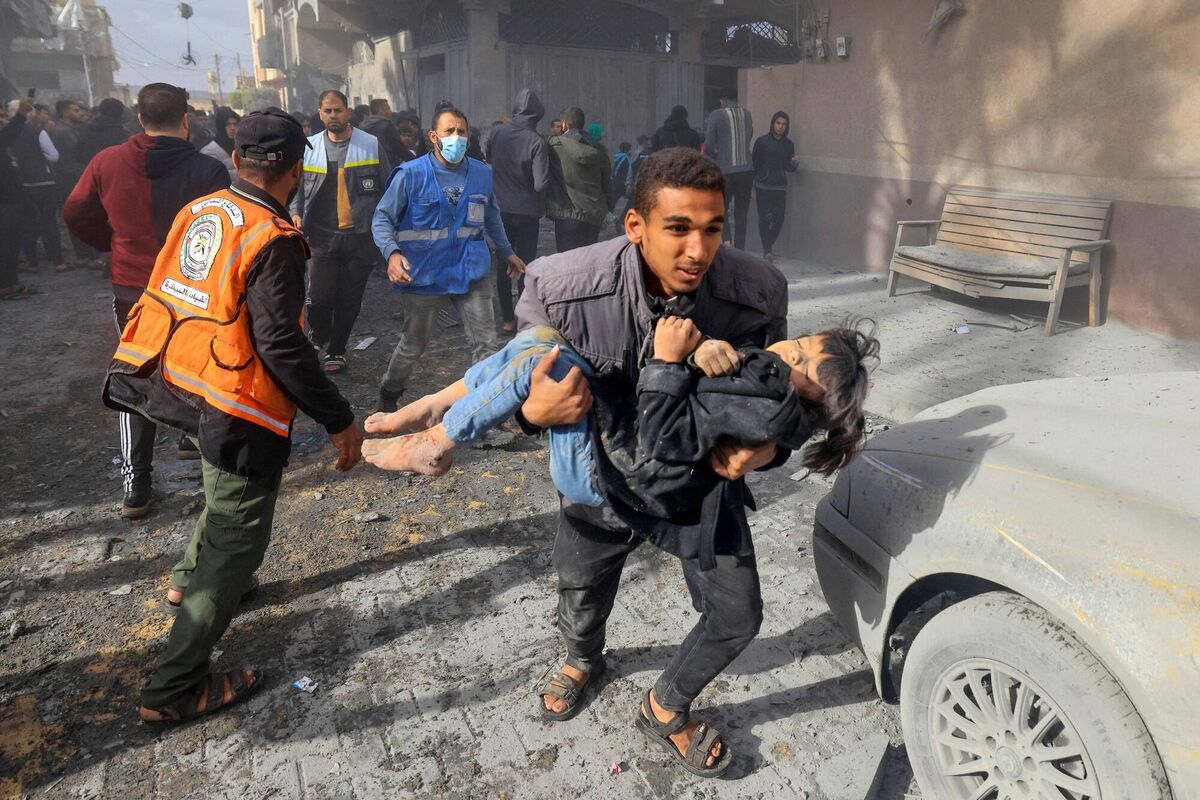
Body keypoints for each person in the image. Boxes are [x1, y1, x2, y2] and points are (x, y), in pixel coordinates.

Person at [521, 148, 789, 776]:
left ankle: (665, 705)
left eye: (713, 228)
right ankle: (583, 658)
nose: (698, 250)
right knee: (581, 590)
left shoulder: (756, 294)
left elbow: (780, 398)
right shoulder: (561, 289)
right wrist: (533, 412)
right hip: (602, 479)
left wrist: (770, 449)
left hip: (699, 486)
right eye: (678, 229)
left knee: (738, 614)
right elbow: (514, 386)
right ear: (635, 225)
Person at [102, 107, 364, 726]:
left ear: (238, 157)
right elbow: (281, 344)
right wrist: (338, 418)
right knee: (239, 528)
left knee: (222, 500)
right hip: (234, 401)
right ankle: (173, 687)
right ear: (296, 170)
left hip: (180, 379)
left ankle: (187, 578)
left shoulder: (204, 210)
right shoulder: (274, 238)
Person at [360, 319, 875, 515]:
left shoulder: (763, 405)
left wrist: (671, 361)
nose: (787, 352)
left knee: (544, 361)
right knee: (540, 338)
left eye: (800, 363)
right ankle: (436, 406)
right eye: (799, 343)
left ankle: (437, 437)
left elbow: (661, 435)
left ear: (808, 401)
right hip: (614, 448)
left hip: (608, 477)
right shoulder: (762, 382)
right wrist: (702, 349)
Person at [64, 83, 231, 518]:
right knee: (193, 367)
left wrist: (113, 242)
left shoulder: (106, 161)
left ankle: (135, 484)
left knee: (134, 376)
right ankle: (194, 446)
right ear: (186, 119)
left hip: (132, 287)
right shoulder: (208, 170)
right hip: (192, 291)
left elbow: (75, 212)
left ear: (139, 119)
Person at [370, 105, 525, 412]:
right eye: (449, 131)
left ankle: (481, 411)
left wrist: (506, 251)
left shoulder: (482, 173)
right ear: (433, 137)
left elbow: (491, 215)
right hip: (424, 273)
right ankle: (390, 392)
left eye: (461, 131)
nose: (457, 137)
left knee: (486, 343)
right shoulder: (411, 174)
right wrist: (392, 253)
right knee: (413, 344)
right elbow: (382, 218)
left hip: (471, 269)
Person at [288, 89, 390, 373]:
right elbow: (298, 190)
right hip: (321, 238)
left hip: (360, 238)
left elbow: (388, 188)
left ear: (348, 112)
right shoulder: (309, 148)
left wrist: (385, 229)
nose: (333, 116)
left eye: (338, 110)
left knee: (349, 300)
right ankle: (319, 335)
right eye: (328, 111)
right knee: (319, 298)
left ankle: (337, 350)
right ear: (320, 114)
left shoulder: (370, 145)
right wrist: (296, 213)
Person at [486, 89, 550, 333]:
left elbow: (488, 159)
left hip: (500, 210)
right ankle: (524, 320)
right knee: (525, 265)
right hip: (527, 213)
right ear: (538, 116)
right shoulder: (537, 141)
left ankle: (507, 320)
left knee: (504, 263)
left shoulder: (497, 132)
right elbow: (540, 183)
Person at [547, 107, 612, 252]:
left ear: (565, 125)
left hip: (567, 215)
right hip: (593, 216)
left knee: (567, 259)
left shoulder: (555, 145)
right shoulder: (599, 149)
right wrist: (608, 209)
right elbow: (607, 185)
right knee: (587, 259)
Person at [9, 99, 63, 273]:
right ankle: (58, 260)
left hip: (20, 183)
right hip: (43, 181)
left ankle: (32, 262)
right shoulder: (37, 131)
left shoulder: (6, 134)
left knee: (27, 224)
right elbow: (53, 155)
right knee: (49, 221)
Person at [49, 98, 102, 270]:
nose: (80, 113)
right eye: (75, 110)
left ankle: (85, 255)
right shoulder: (63, 132)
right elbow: (78, 153)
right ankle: (86, 256)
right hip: (71, 178)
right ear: (65, 113)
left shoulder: (73, 130)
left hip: (75, 176)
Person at [704, 94, 754, 250]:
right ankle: (740, 249)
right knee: (741, 212)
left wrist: (717, 156)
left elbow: (709, 145)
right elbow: (749, 136)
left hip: (725, 171)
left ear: (722, 101)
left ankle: (727, 241)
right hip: (746, 170)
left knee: (721, 207)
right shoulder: (747, 114)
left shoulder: (716, 114)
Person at [0, 98, 37, 298]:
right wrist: (21, 115)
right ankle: (5, 286)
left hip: (13, 200)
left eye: (3, 116)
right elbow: (8, 135)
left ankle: (12, 283)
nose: (2, 120)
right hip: (4, 202)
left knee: (12, 244)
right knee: (4, 245)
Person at [752, 111, 801, 260]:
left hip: (779, 187)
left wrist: (794, 164)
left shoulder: (788, 144)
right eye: (778, 123)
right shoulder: (761, 141)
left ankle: (768, 246)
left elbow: (789, 168)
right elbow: (755, 164)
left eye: (784, 124)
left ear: (787, 126)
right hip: (763, 186)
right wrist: (753, 186)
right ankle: (767, 251)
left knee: (779, 221)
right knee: (764, 219)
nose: (780, 126)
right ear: (773, 123)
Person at [77, 98, 130, 164]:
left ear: (100, 111)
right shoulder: (124, 135)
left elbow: (79, 155)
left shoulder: (86, 130)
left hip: (90, 168)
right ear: (121, 113)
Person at [359, 98, 404, 167]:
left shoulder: (362, 127)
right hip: (388, 165)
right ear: (381, 110)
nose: (390, 112)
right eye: (388, 108)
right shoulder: (387, 126)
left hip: (368, 167)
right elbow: (400, 149)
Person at [200, 106, 239, 182]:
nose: (232, 128)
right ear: (221, 126)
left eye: (235, 124)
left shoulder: (240, 146)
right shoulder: (209, 151)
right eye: (228, 124)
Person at [610, 141, 633, 234]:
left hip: (614, 182)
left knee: (613, 202)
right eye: (630, 149)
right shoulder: (625, 157)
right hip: (620, 183)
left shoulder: (616, 156)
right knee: (632, 199)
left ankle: (610, 219)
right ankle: (619, 221)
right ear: (626, 150)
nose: (631, 151)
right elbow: (626, 171)